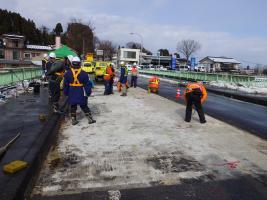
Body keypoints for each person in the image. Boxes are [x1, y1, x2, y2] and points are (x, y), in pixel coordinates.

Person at [63, 56, 96, 125]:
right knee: (84, 105)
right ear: (79, 63)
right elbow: (87, 84)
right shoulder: (84, 73)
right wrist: (88, 92)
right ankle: (90, 118)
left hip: (71, 91)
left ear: (72, 63)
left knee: (73, 105)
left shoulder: (67, 73)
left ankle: (73, 119)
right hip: (80, 91)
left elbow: (65, 84)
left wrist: (66, 92)